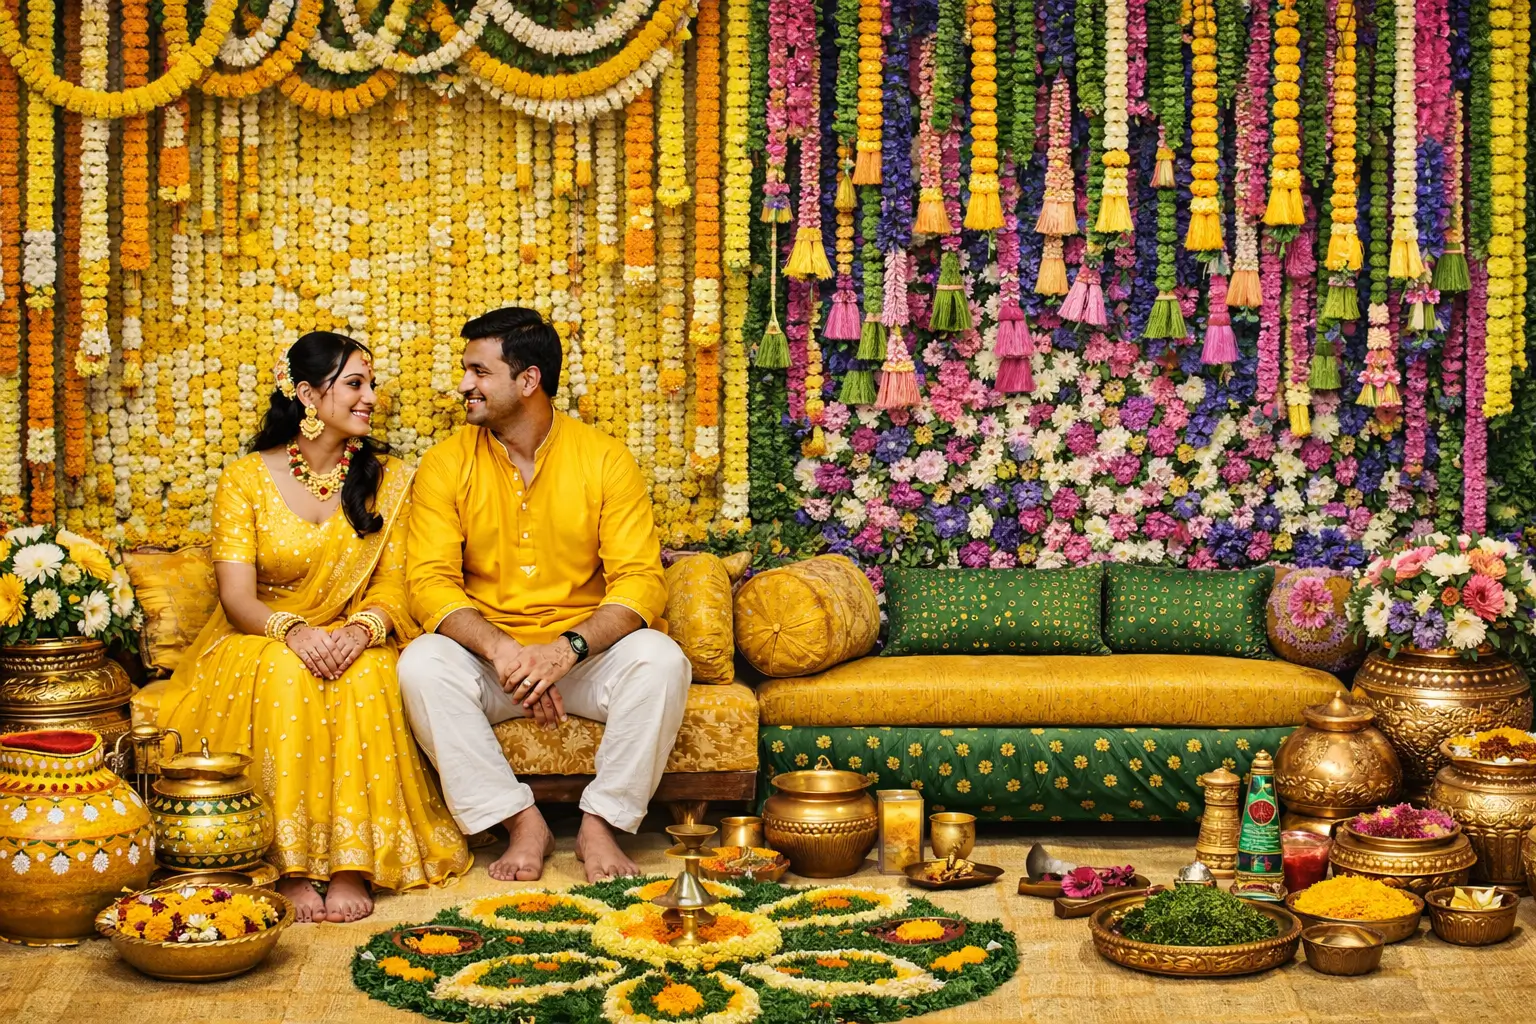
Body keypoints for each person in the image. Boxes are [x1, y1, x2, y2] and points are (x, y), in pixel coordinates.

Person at [157, 332, 471, 923]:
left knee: (374, 672)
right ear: (306, 393)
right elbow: (236, 596)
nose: (370, 397)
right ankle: (291, 865)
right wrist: (295, 632)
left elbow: (396, 584)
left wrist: (360, 631)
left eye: (370, 383)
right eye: (355, 383)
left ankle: (354, 863)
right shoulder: (245, 480)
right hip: (263, 636)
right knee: (284, 672)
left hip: (356, 633)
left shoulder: (390, 480)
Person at [398, 307, 692, 884]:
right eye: (466, 371)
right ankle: (519, 820)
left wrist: (564, 651)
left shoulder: (604, 459)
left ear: (527, 380)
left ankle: (601, 822)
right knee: (421, 665)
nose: (464, 386)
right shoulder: (446, 461)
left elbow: (640, 582)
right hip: (491, 663)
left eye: (478, 372)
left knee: (662, 661)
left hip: (581, 660)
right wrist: (506, 653)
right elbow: (428, 582)